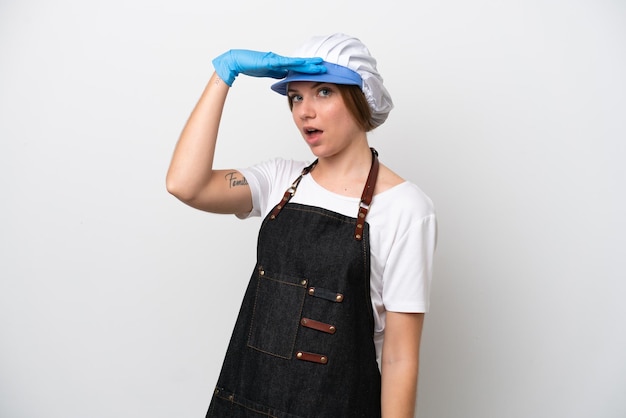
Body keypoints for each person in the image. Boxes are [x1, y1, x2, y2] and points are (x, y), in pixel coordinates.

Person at [166, 33, 437, 418]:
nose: (304, 111)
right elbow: (184, 184)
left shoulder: (405, 208)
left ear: (361, 99)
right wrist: (223, 74)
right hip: (244, 404)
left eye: (323, 92)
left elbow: (399, 359)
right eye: (296, 97)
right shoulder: (281, 181)